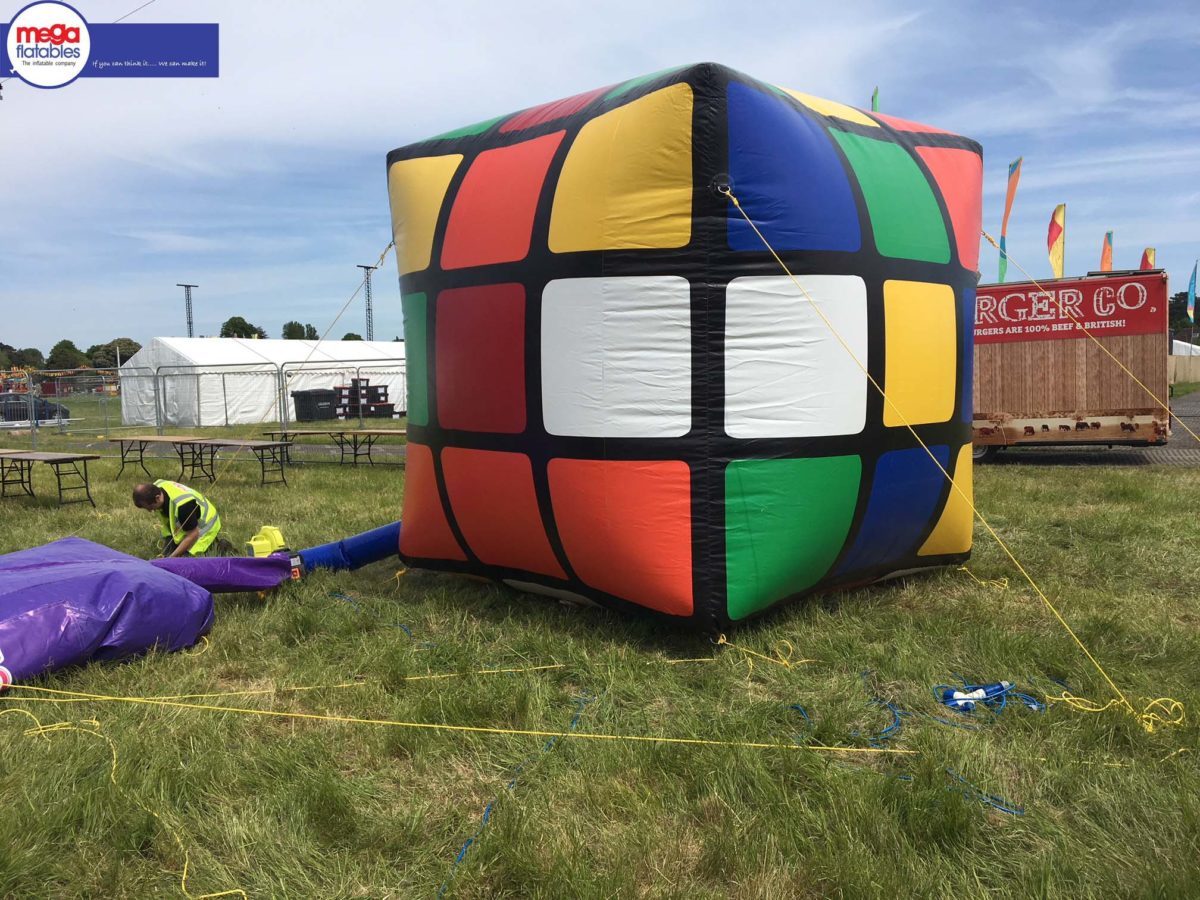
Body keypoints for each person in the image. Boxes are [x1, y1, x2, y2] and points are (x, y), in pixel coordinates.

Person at [132, 480, 226, 558]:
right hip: (185, 525)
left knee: (182, 564)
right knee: (166, 558)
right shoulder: (157, 487)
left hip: (204, 527)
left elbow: (193, 534)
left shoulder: (183, 506)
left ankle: (220, 546)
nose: (150, 511)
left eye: (149, 507)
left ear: (157, 498)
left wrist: (172, 557)